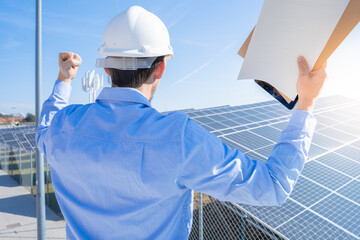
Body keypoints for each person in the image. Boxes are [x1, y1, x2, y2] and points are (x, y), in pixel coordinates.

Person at [36, 6, 327, 240]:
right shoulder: (177, 137)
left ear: (107, 66)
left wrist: (64, 80)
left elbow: (43, 132)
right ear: (161, 67)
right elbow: (272, 186)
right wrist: (306, 104)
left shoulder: (63, 126)